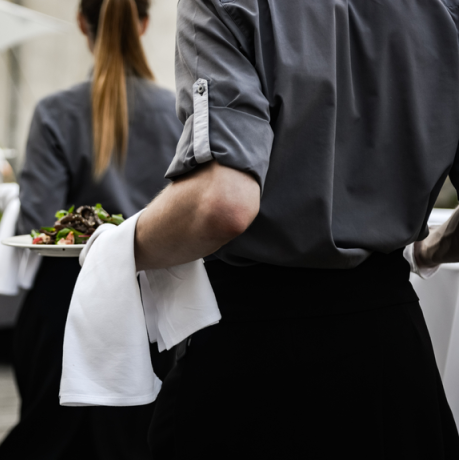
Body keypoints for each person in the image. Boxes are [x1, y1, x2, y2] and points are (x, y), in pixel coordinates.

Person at [133, 0, 459, 457]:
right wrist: (428, 250)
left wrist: (121, 247)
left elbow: (223, 203)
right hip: (392, 349)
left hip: (253, 357)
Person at [0, 1, 181, 458]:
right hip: (153, 308)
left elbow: (39, 225)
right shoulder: (179, 111)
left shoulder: (56, 112)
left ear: (82, 22)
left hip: (67, 304)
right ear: (145, 22)